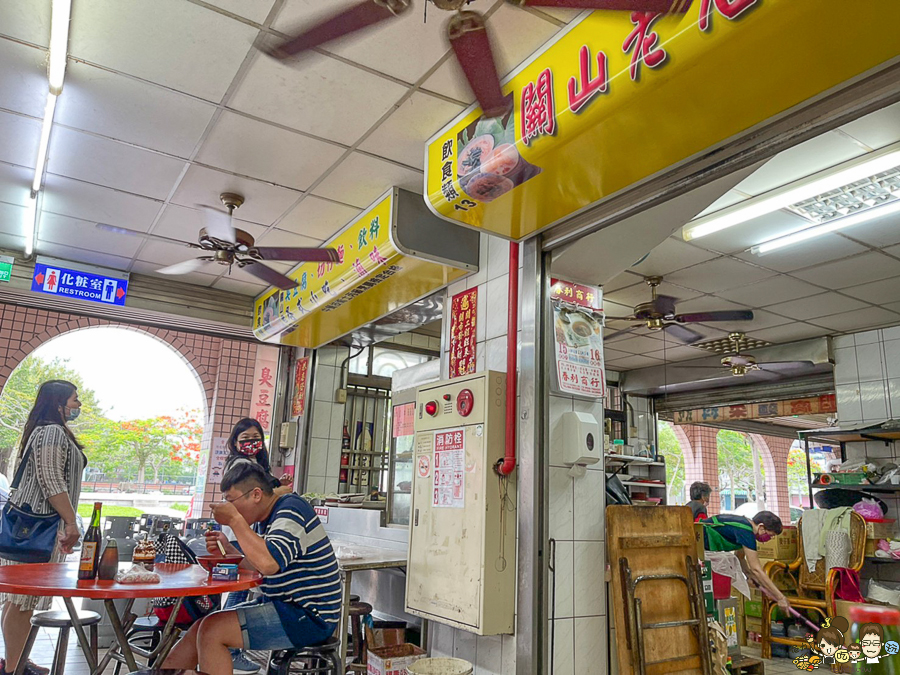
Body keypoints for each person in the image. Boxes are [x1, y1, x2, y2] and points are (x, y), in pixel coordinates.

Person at [163, 462, 340, 675]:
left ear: (256, 494)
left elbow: (269, 564)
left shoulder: (291, 509)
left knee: (213, 631)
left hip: (310, 615)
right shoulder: (261, 518)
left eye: (231, 500)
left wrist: (236, 521)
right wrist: (227, 550)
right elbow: (258, 564)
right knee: (199, 627)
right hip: (282, 605)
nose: (227, 506)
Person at [0, 381, 86, 675]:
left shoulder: (49, 431)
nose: (78, 405)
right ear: (58, 402)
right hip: (38, 527)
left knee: (17, 601)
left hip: (34, 526)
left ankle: (15, 663)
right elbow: (51, 481)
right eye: (75, 399)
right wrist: (72, 523)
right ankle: (14, 669)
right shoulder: (51, 432)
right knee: (22, 601)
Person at [222, 418, 293, 674]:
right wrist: (281, 490)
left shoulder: (251, 463)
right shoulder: (241, 464)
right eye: (245, 438)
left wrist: (276, 483)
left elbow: (265, 488)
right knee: (240, 589)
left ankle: (230, 643)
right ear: (235, 441)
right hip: (240, 534)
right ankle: (231, 648)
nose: (252, 443)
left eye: (256, 438)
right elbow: (261, 496)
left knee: (240, 588)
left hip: (242, 533)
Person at [700, 511, 793, 614]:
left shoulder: (745, 525)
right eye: (770, 535)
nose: (769, 539)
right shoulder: (746, 531)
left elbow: (740, 557)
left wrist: (750, 576)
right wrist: (780, 597)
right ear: (761, 527)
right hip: (698, 542)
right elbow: (756, 569)